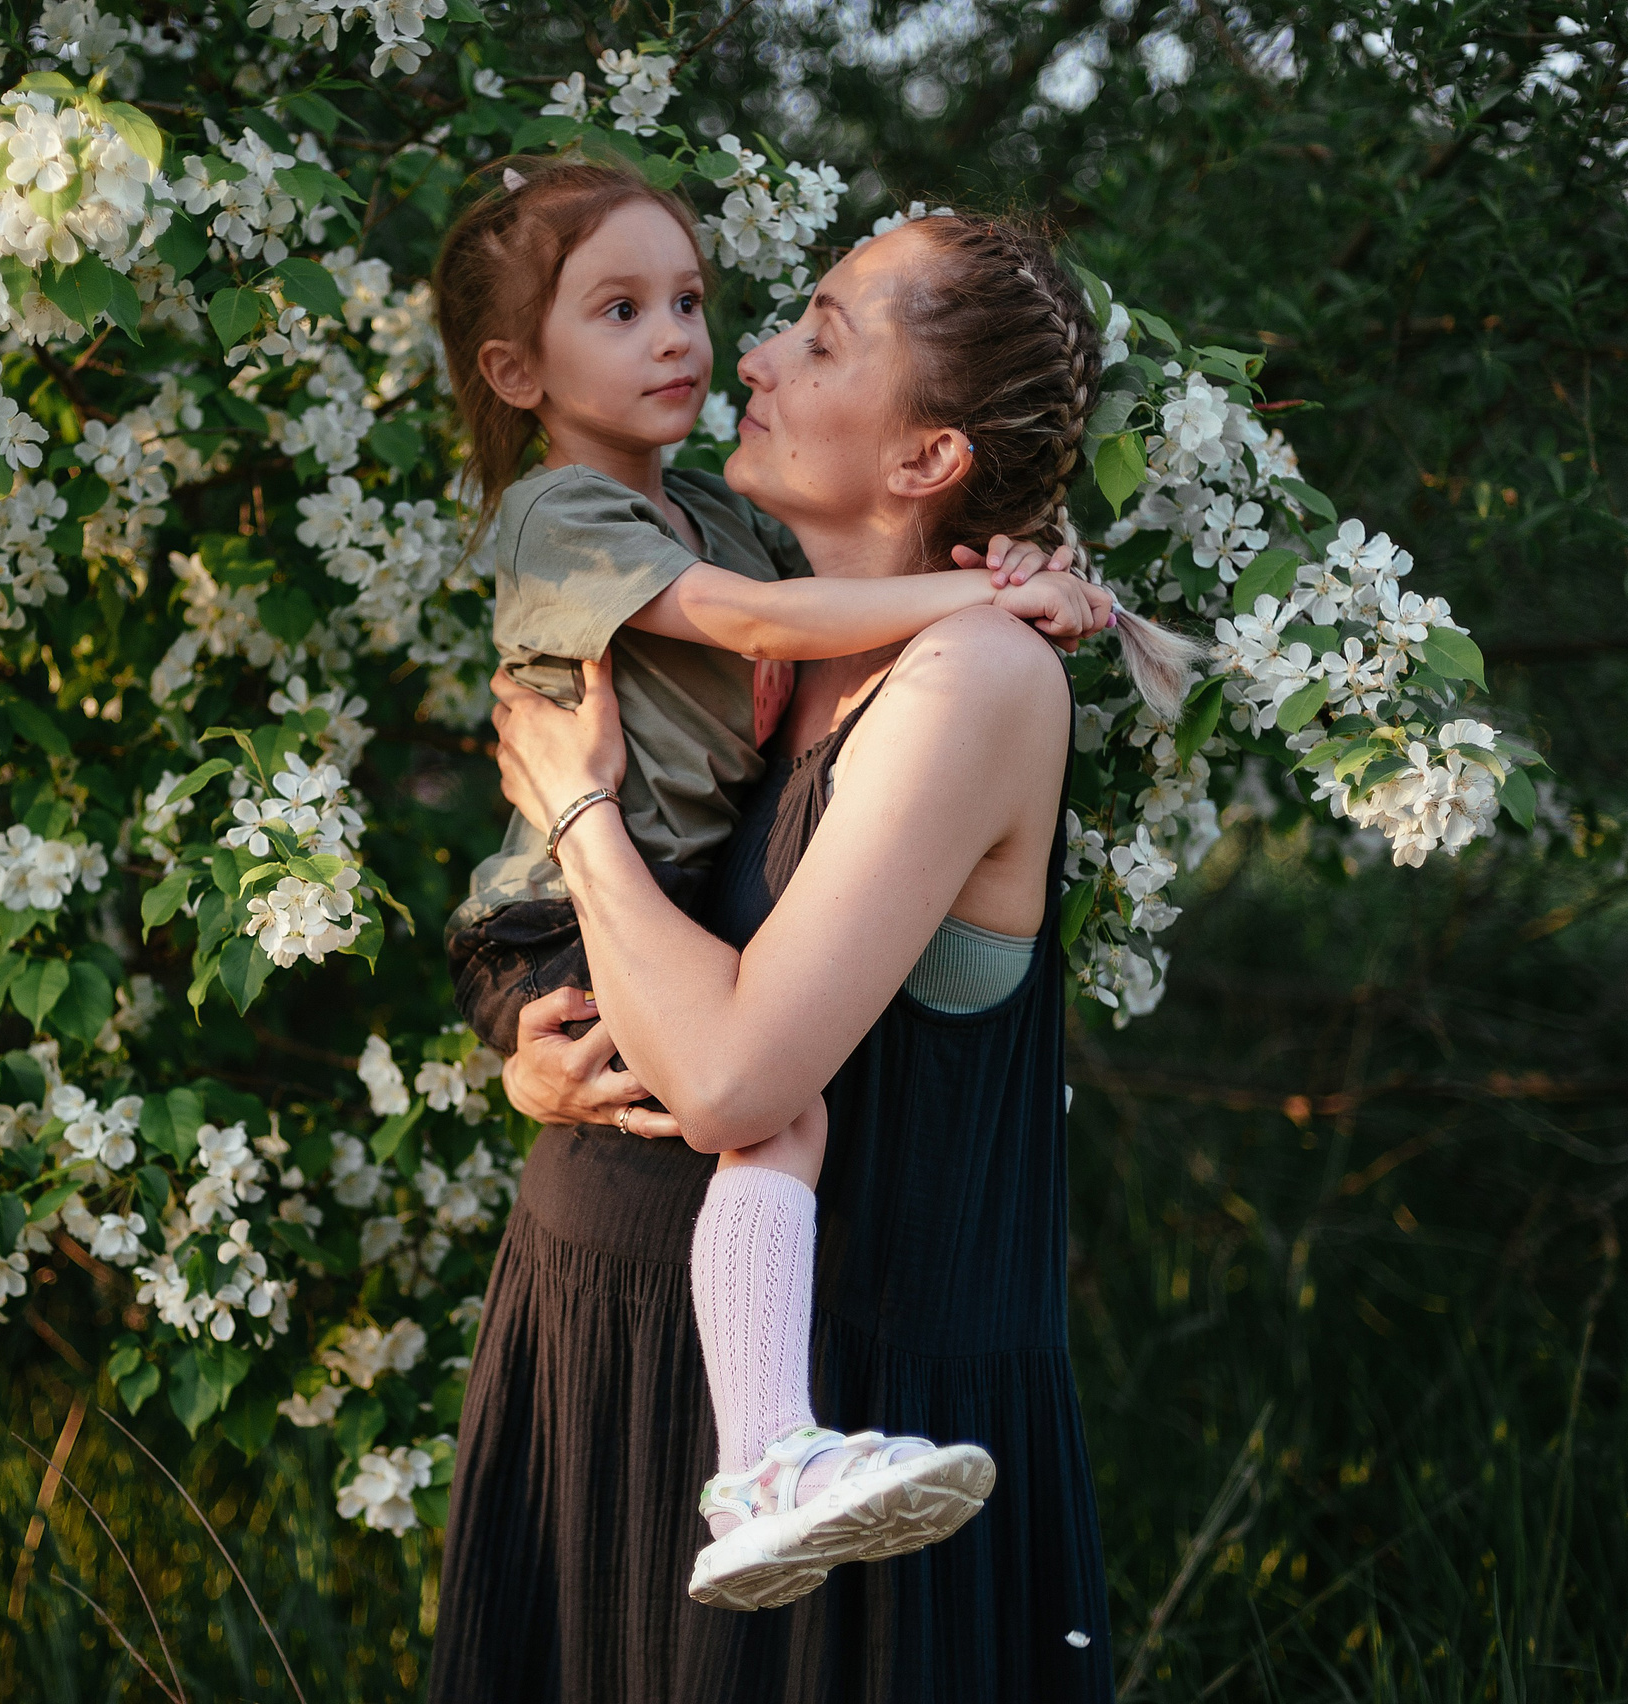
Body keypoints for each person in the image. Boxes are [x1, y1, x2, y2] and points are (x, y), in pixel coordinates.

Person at [427, 207, 1156, 1702]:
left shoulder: (974, 674)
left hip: (839, 1447)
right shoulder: (749, 605)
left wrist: (573, 808)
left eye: (816, 340)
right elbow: (651, 973)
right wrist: (540, 1067)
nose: (744, 356)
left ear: (923, 461)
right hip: (600, 1352)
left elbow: (737, 1075)